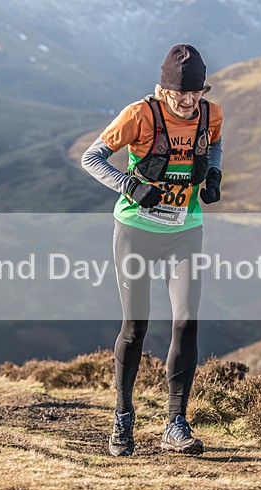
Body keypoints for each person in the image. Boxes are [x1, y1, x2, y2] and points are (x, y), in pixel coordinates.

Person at [81, 44, 223, 456]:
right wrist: (128, 185)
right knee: (135, 327)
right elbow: (92, 158)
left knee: (186, 323)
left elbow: (214, 143)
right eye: (180, 94)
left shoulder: (211, 114)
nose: (188, 102)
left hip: (184, 230)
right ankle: (122, 417)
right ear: (164, 90)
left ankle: (175, 424)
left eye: (195, 94)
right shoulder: (139, 115)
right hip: (136, 231)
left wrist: (214, 173)